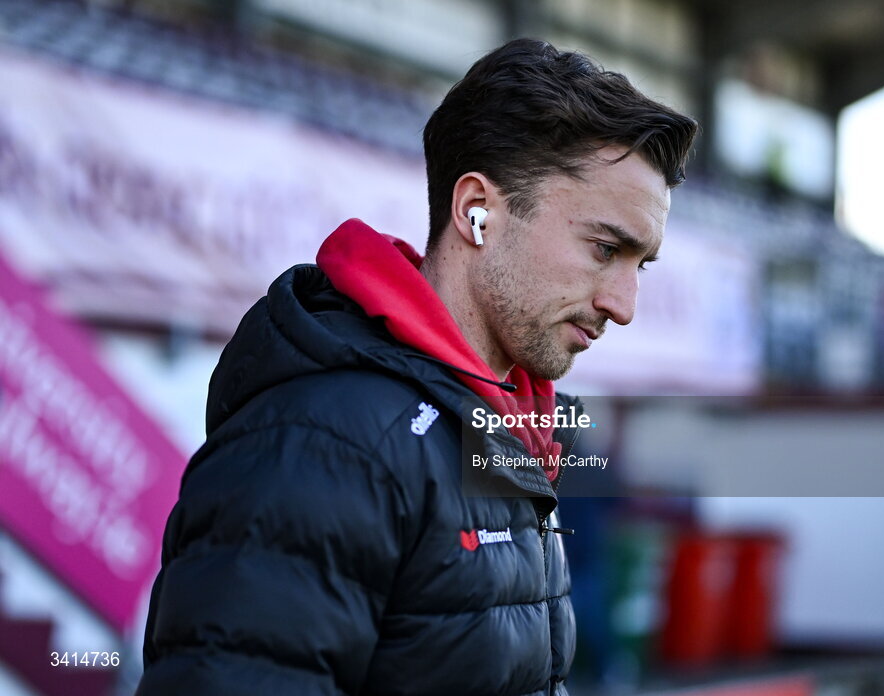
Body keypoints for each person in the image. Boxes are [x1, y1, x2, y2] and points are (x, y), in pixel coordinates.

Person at [136, 38, 696, 696]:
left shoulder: (504, 428)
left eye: (641, 265)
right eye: (605, 248)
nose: (623, 306)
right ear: (475, 212)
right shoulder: (327, 442)